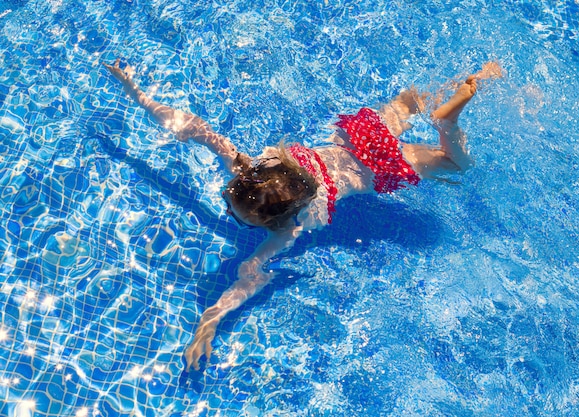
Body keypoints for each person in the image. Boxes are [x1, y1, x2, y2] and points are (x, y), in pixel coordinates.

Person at [103, 59, 502, 371]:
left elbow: (249, 277)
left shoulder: (288, 228)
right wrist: (137, 92)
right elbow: (198, 129)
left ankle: (448, 123)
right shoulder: (256, 168)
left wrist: (209, 322)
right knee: (412, 99)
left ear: (273, 221)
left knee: (454, 164)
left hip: (375, 168)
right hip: (360, 138)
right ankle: (475, 80)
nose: (227, 210)